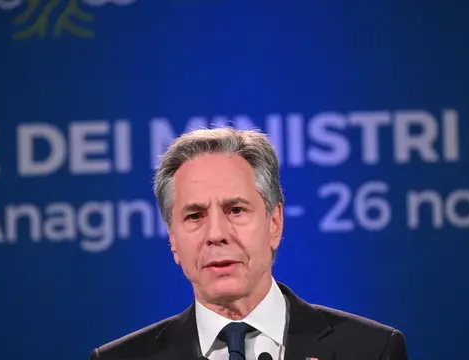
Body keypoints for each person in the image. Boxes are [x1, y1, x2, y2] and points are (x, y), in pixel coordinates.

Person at [89, 127, 408, 360]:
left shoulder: (371, 351)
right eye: (195, 215)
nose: (216, 234)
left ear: (274, 222)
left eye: (235, 210)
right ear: (173, 239)